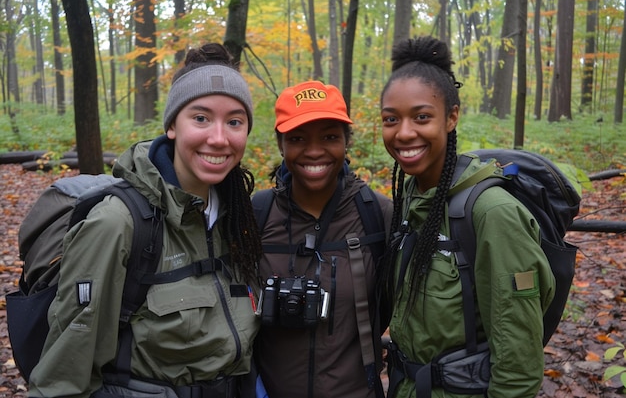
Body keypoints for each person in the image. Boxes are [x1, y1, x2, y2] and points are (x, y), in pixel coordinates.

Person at [29, 43, 263, 398]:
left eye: (234, 121)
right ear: (172, 126)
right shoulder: (118, 224)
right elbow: (64, 374)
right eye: (200, 118)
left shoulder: (237, 217)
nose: (219, 138)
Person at [379, 36, 555, 398]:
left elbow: (519, 368)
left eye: (422, 117)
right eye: (390, 119)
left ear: (452, 116)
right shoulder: (410, 197)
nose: (404, 132)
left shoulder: (492, 213)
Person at [253, 80, 393, 398]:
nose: (314, 151)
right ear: (281, 145)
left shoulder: (377, 214)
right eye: (298, 139)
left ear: (346, 142)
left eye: (330, 137)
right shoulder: (256, 216)